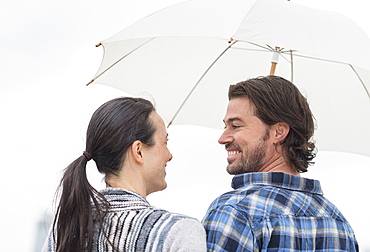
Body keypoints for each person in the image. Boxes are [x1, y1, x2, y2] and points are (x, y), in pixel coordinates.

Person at [202, 76, 358, 251]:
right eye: (225, 126)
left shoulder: (234, 211)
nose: (222, 139)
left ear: (279, 132)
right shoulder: (338, 223)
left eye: (236, 126)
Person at [43, 97, 206, 252]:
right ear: (139, 151)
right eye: (165, 142)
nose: (169, 155)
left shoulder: (66, 228)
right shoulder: (178, 232)